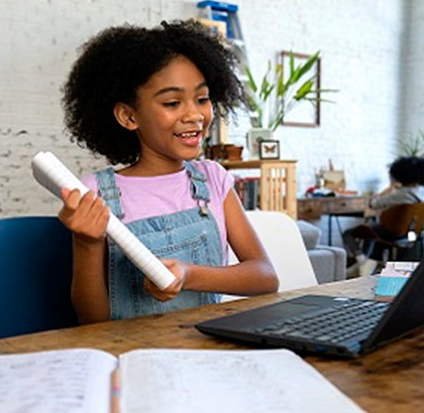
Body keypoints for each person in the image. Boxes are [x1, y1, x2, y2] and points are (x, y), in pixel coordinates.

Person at [57, 21, 278, 324]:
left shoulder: (213, 179)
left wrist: (189, 275)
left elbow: (265, 278)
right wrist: (87, 243)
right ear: (128, 116)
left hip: (206, 347)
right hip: (134, 354)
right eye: (173, 103)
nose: (194, 115)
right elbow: (92, 321)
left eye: (202, 99)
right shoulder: (94, 193)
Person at [342, 156, 424, 273]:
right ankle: (366, 263)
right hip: (410, 233)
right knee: (370, 231)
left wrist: (390, 189)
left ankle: (362, 260)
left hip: (392, 232)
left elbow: (374, 204)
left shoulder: (399, 193)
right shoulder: (422, 191)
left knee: (349, 233)